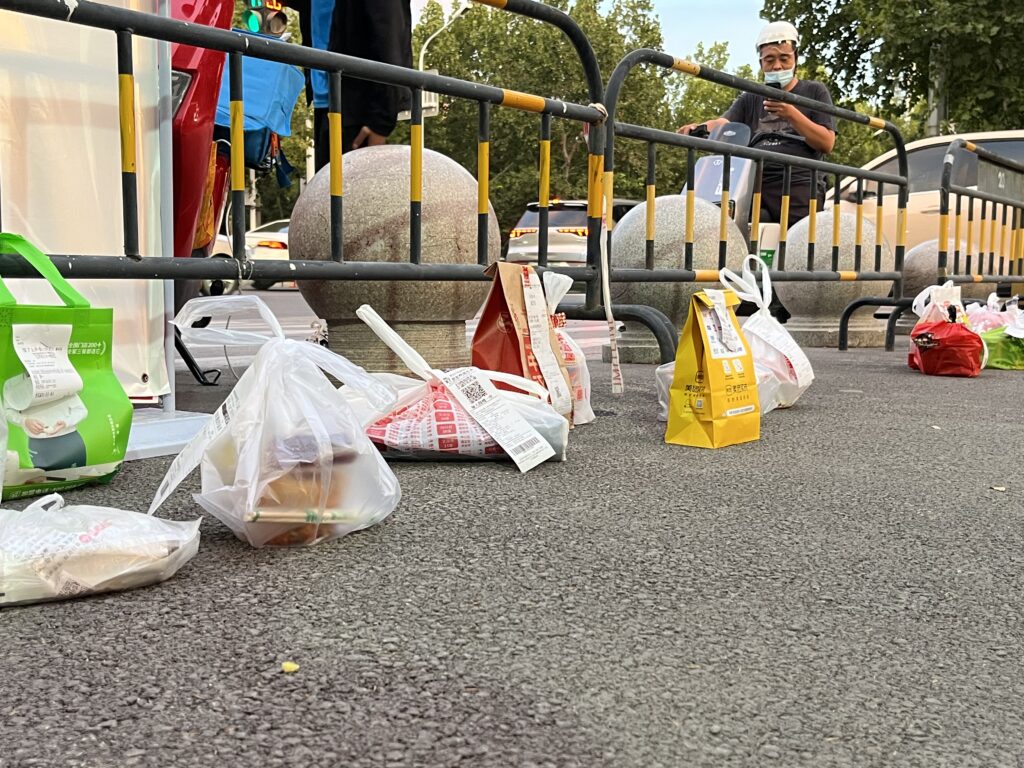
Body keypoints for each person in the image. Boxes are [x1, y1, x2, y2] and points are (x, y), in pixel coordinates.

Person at [678, 21, 836, 229]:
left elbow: (826, 142)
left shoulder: (814, 91)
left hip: (799, 181)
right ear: (761, 63)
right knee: (721, 225)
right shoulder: (751, 97)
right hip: (752, 181)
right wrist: (700, 127)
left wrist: (791, 114)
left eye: (784, 58)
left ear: (795, 59)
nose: (777, 66)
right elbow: (724, 122)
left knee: (797, 242)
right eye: (769, 60)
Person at [287, 0, 413, 171]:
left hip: (359, 108)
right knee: (328, 186)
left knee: (353, 186)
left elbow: (388, 34)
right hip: (325, 101)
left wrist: (380, 122)